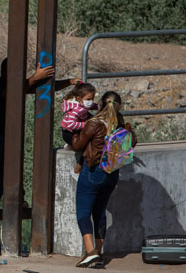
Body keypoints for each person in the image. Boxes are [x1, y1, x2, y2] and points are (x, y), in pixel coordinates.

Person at [0, 58, 79, 210]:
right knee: (5, 167)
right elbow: (11, 93)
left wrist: (70, 81)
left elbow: (41, 87)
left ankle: (4, 205)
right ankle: (14, 201)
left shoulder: (19, 84)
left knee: (2, 171)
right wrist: (35, 78)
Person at [71, 91, 137, 267]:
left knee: (83, 212)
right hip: (112, 174)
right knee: (100, 212)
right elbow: (131, 142)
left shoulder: (94, 124)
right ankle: (99, 254)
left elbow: (77, 144)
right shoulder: (120, 123)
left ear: (100, 104)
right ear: (119, 106)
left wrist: (73, 133)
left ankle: (90, 252)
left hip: (93, 172)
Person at [61, 82, 98, 175]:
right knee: (88, 143)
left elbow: (93, 106)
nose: (91, 101)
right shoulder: (77, 109)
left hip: (70, 133)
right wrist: (85, 124)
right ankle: (80, 163)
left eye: (93, 99)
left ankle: (71, 145)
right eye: (89, 99)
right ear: (79, 99)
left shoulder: (82, 105)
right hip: (69, 134)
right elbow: (70, 124)